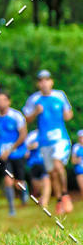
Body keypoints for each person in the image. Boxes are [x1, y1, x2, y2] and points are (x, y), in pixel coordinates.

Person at [24, 70, 73, 214]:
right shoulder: (34, 99)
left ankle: (65, 195)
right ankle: (59, 200)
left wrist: (66, 114)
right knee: (51, 173)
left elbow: (69, 114)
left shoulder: (60, 95)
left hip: (60, 139)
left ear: (51, 82)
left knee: (58, 165)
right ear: (38, 83)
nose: (44, 83)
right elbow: (26, 119)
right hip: (44, 142)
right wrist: (35, 112)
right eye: (41, 80)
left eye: (46, 80)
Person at [0, 92, 28, 216]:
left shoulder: (16, 116)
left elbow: (23, 134)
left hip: (18, 153)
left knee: (19, 182)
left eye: (3, 100)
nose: (1, 102)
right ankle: (12, 209)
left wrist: (11, 149)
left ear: (8, 102)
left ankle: (23, 192)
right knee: (8, 180)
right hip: (3, 155)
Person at [25, 128, 51, 208]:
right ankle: (42, 197)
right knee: (36, 185)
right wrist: (32, 146)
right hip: (34, 162)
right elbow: (25, 148)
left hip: (45, 161)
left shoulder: (49, 133)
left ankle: (45, 202)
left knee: (46, 181)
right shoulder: (32, 135)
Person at [70, 130, 83, 199]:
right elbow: (73, 161)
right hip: (80, 172)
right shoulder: (76, 147)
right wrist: (77, 160)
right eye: (81, 137)